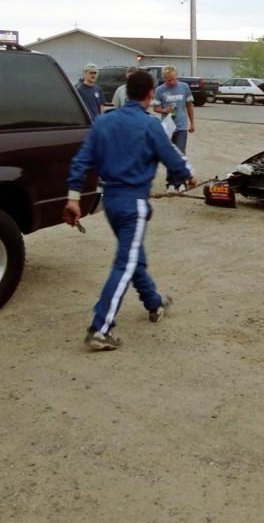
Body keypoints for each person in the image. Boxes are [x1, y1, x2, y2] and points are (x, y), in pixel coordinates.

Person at [63, 70, 194, 351]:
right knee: (125, 263)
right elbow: (173, 158)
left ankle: (154, 302)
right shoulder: (149, 126)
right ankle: (100, 329)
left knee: (133, 256)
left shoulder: (103, 122)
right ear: (149, 95)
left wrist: (73, 197)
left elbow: (81, 161)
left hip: (110, 201)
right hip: (133, 202)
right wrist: (188, 174)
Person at [152, 65, 195, 194]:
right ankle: (170, 182)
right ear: (164, 79)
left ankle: (181, 182)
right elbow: (155, 108)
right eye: (168, 80)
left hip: (181, 126)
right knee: (169, 154)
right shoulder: (160, 90)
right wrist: (165, 110)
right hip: (168, 126)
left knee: (180, 153)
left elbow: (189, 105)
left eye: (173, 79)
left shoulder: (184, 87)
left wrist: (192, 123)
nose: (171, 82)